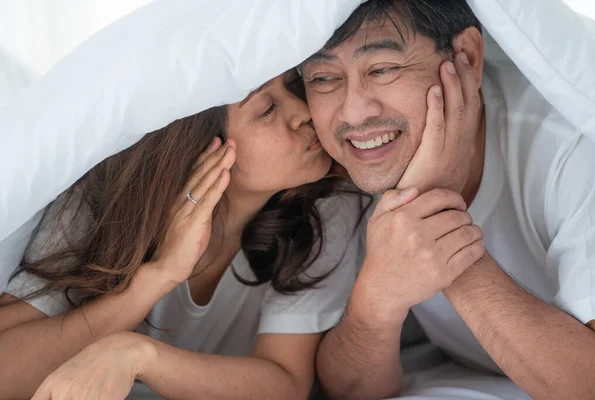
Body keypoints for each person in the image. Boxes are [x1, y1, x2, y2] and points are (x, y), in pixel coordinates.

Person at [0, 69, 367, 399]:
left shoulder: (324, 201)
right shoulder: (99, 203)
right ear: (200, 146)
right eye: (266, 109)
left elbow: (287, 383)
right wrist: (158, 276)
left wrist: (135, 354)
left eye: (292, 84)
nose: (304, 112)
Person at [302, 0, 595, 399]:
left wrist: (434, 214)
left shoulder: (572, 142)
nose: (354, 114)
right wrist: (376, 299)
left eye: (383, 69)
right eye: (323, 78)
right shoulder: (335, 168)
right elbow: (350, 391)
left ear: (467, 57)